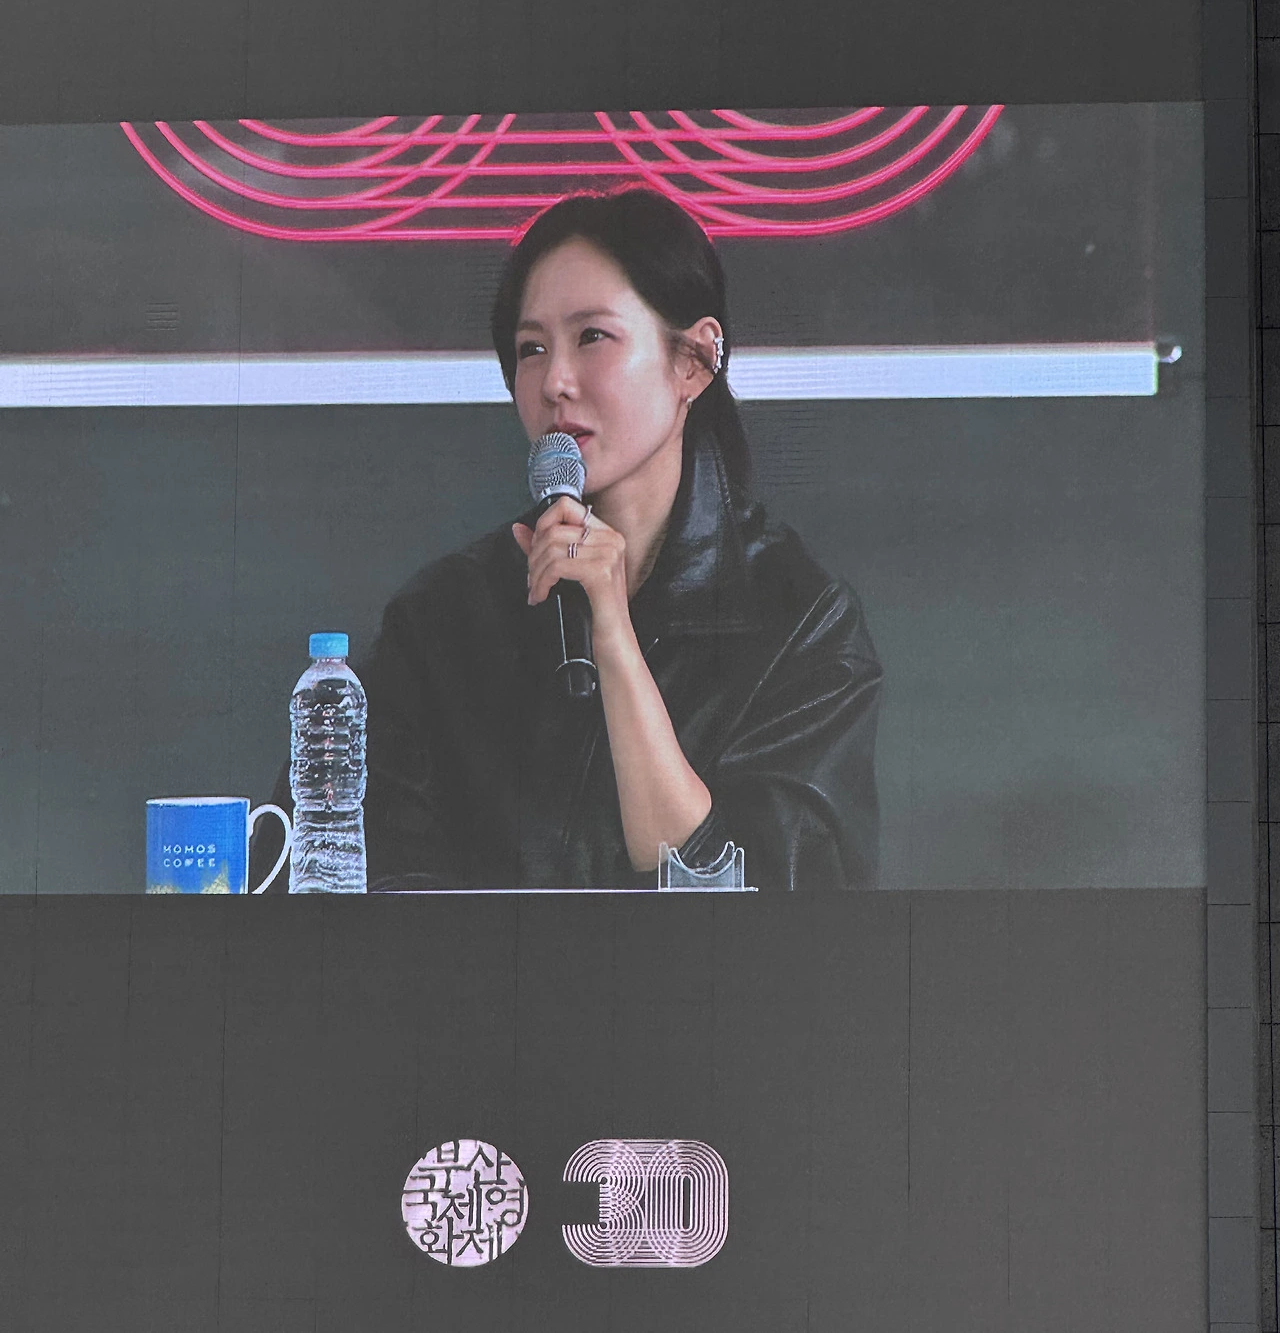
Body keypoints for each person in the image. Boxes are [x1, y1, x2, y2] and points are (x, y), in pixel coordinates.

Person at [263, 188, 882, 891]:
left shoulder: (801, 623)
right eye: (531, 349)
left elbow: (763, 904)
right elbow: (348, 887)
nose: (555, 382)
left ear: (693, 361)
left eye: (592, 337)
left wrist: (613, 638)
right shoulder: (445, 619)